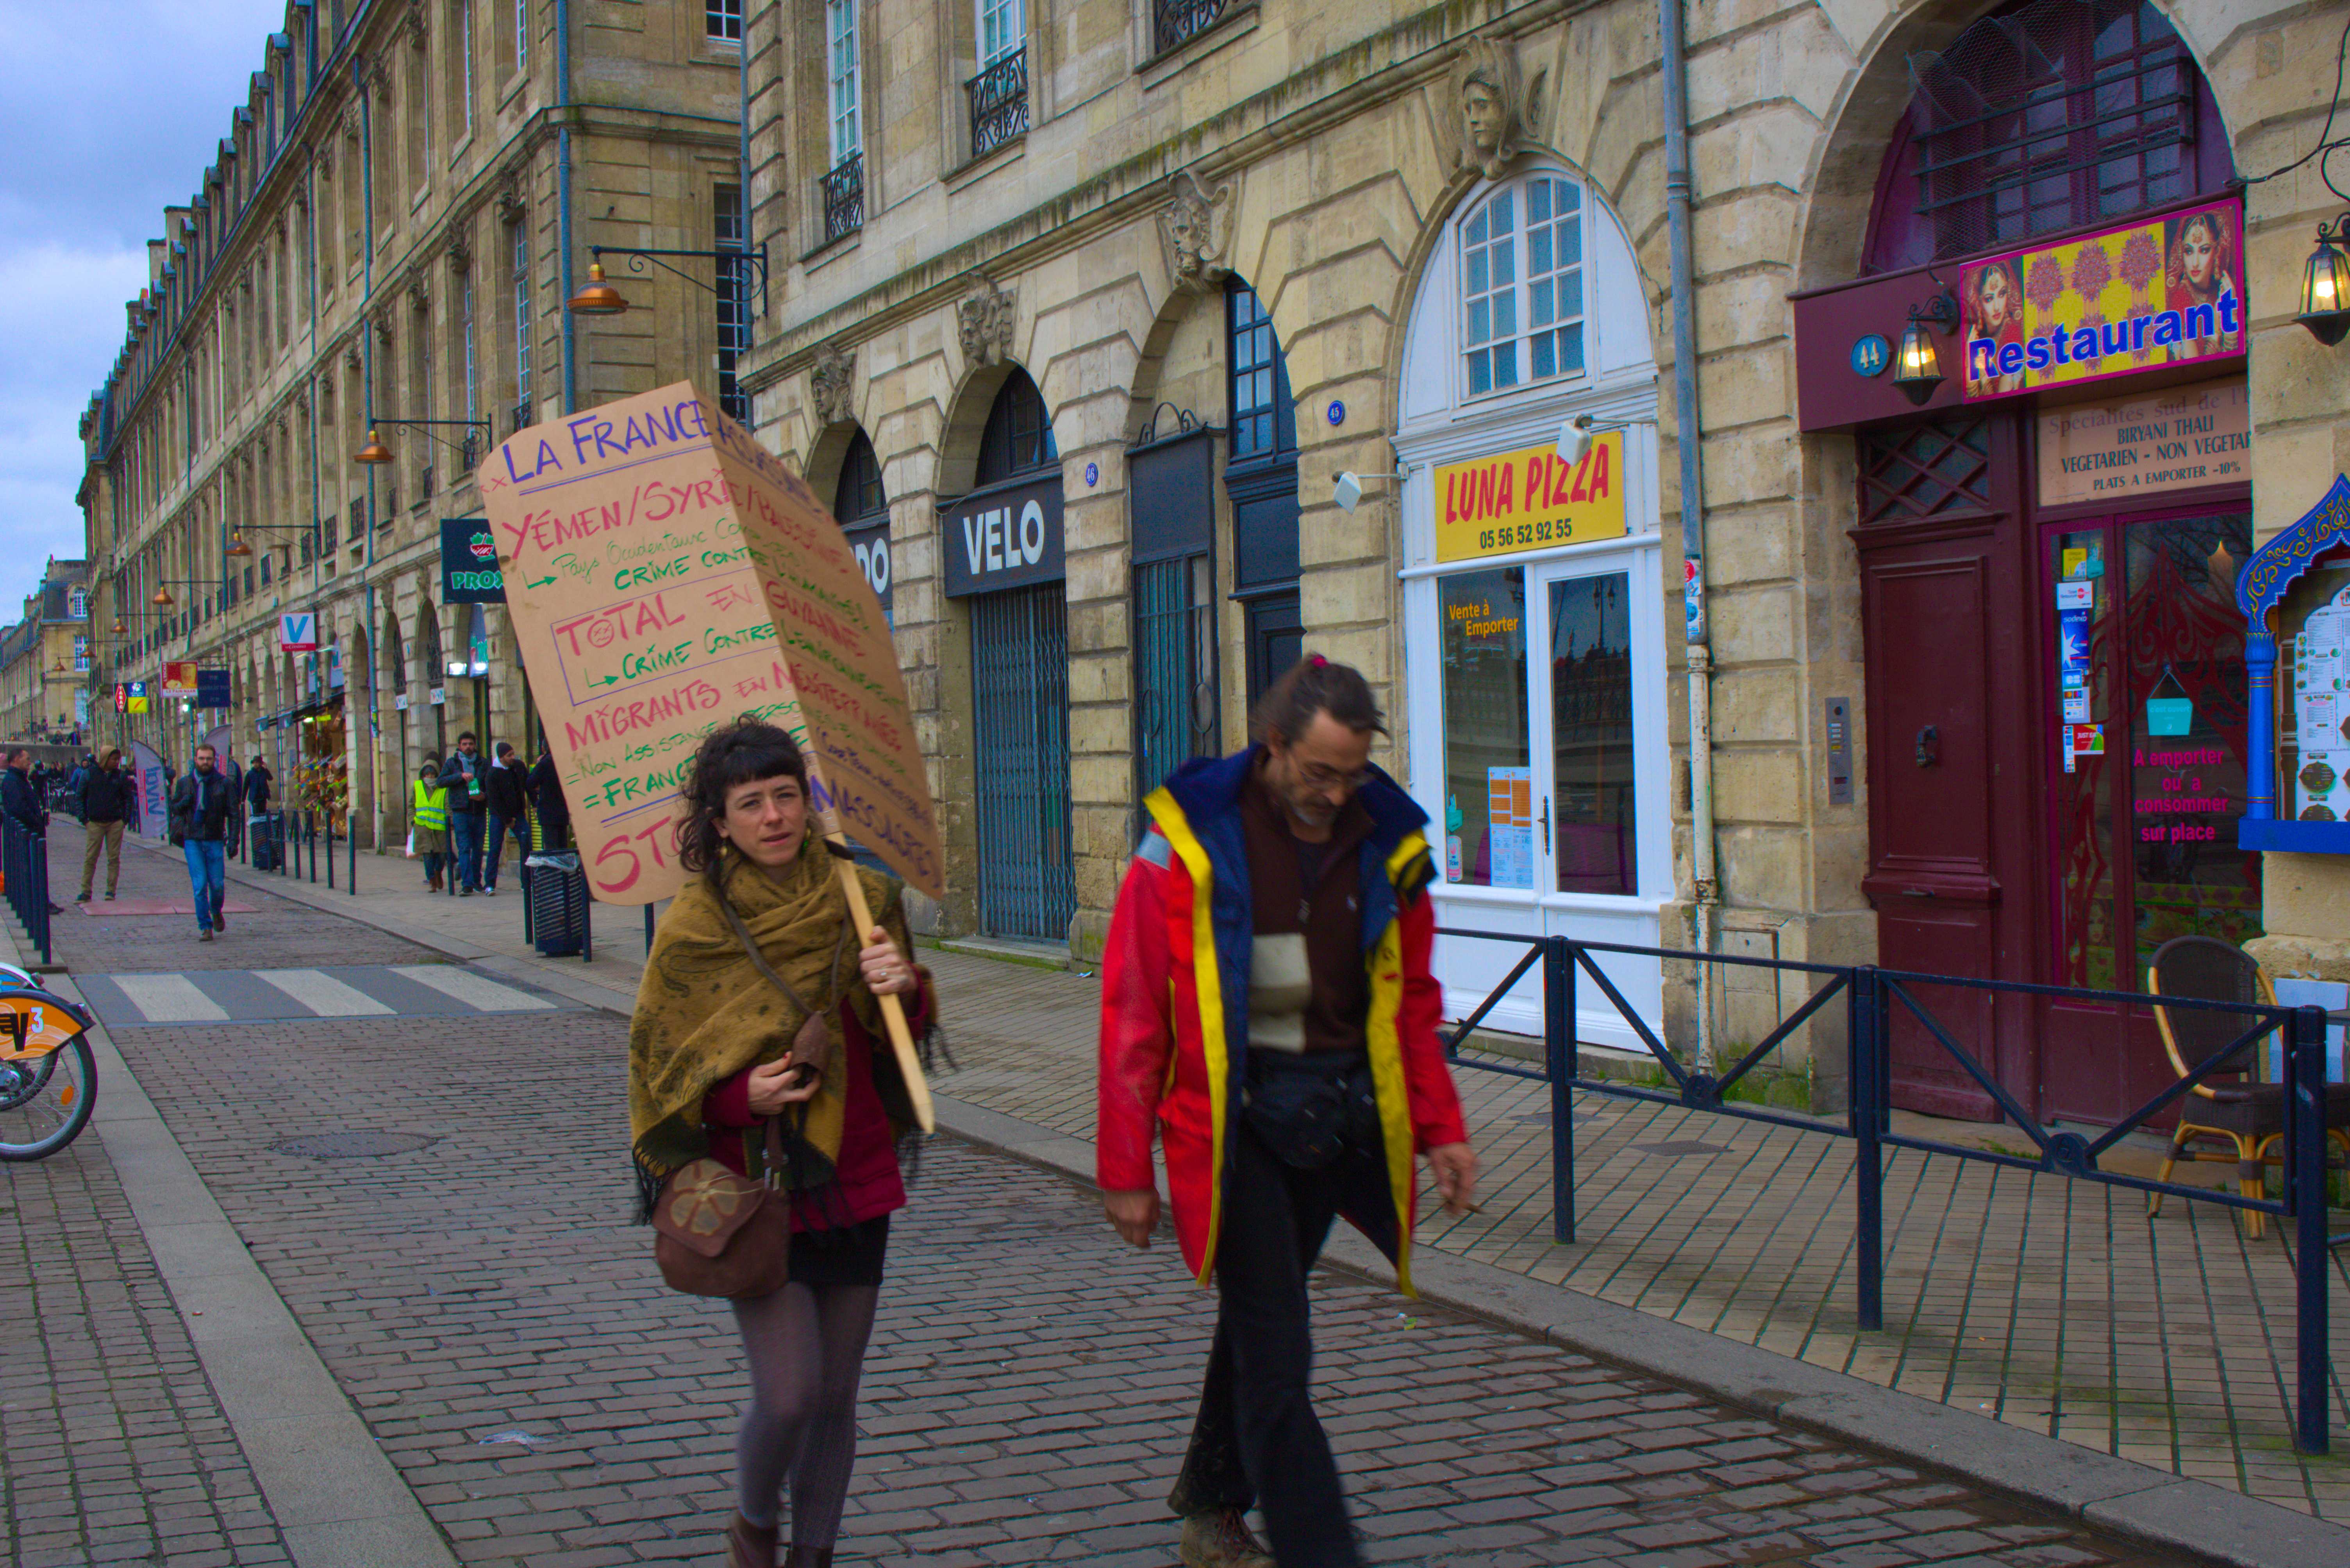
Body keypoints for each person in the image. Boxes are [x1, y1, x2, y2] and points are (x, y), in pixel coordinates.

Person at [1097, 657, 1479, 1568]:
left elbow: (1411, 1001)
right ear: (1273, 744)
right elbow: (1134, 1009)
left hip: (1336, 1121)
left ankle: (1210, 1506)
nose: (1336, 793)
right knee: (1279, 1355)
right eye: (1318, 773)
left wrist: (1441, 1127)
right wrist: (1125, 1168)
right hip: (1233, 1130)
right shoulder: (1186, 837)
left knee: (1258, 1321)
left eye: (1352, 774)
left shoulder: (1388, 843)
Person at [628, 718, 933, 1568]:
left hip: (853, 1169)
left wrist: (903, 990)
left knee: (835, 1395)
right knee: (791, 1391)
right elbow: (661, 1065)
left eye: (786, 795)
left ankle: (813, 1557)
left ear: (809, 801)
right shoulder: (694, 927)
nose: (773, 816)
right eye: (751, 803)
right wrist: (738, 1097)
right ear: (719, 823)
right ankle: (754, 1524)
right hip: (757, 1188)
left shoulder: (863, 898)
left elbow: (897, 1040)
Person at [168, 744, 237, 941]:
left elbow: (234, 814)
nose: (205, 762)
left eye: (208, 759)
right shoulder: (185, 783)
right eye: (201, 759)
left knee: (217, 885)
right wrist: (184, 802)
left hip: (215, 838)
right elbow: (174, 808)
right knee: (200, 885)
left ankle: (216, 911)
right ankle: (205, 926)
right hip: (193, 839)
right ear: (196, 760)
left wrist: (234, 840)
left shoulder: (224, 783)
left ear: (214, 760)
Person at [1, 748, 61, 915]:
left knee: (34, 870)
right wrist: (35, 821)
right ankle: (37, 904)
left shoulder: (19, 778)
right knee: (32, 870)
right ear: (16, 760)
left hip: (29, 832)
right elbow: (18, 808)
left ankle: (39, 902)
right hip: (27, 833)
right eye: (27, 759)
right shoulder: (13, 781)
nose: (30, 762)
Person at [76, 747, 133, 903]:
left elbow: (128, 798)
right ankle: (86, 891)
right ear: (105, 759)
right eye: (113, 759)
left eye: (118, 759)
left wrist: (125, 819)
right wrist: (84, 819)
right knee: (91, 858)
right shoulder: (89, 774)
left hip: (115, 822)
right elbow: (80, 796)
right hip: (95, 822)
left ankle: (111, 891)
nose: (116, 762)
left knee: (113, 858)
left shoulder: (120, 776)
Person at [438, 732, 489, 895]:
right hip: (461, 811)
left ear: (475, 745)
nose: (468, 747)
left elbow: (491, 785)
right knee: (464, 848)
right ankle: (467, 884)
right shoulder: (452, 763)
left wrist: (484, 796)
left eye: (471, 744)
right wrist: (460, 776)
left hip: (479, 811)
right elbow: (441, 781)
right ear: (459, 746)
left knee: (478, 849)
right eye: (465, 744)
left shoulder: (483, 763)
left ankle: (477, 881)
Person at [483, 741, 528, 895]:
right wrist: (508, 820)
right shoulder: (492, 774)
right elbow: (495, 801)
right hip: (498, 815)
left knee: (527, 844)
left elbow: (526, 785)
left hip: (518, 813)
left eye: (513, 754)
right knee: (495, 848)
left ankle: (527, 882)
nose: (513, 757)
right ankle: (490, 884)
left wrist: (534, 803)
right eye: (509, 755)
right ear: (501, 757)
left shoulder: (518, 767)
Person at [411, 760, 450, 893]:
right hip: (423, 827)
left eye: (432, 774)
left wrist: (450, 821)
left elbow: (448, 806)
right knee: (427, 855)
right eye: (427, 774)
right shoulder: (417, 786)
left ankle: (438, 872)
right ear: (423, 775)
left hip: (440, 827)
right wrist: (412, 820)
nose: (430, 777)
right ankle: (432, 881)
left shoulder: (443, 788)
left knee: (442, 855)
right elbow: (411, 805)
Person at [529, 744, 570, 850]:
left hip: (548, 812)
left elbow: (530, 783)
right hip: (563, 812)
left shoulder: (545, 763)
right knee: (563, 849)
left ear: (543, 749)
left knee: (551, 850)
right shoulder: (565, 761)